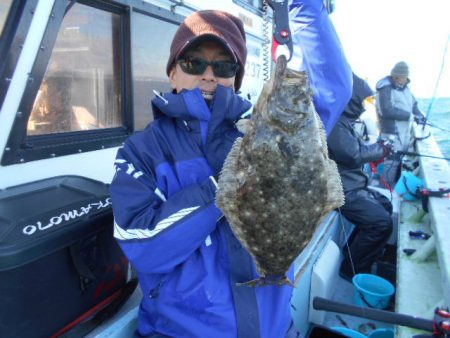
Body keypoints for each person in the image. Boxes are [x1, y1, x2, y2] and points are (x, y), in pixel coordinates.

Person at [110, 2, 351, 337]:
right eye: (193, 62)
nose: (208, 74)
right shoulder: (141, 152)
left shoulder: (267, 127)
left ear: (235, 79)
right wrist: (223, 184)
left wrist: (302, 5)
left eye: (223, 65)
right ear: (173, 72)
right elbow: (144, 248)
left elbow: (332, 89)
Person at [328, 74, 394, 282]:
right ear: (352, 98)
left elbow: (355, 150)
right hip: (343, 190)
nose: (365, 107)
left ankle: (355, 252)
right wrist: (381, 150)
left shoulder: (343, 120)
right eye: (363, 100)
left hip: (353, 184)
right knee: (381, 223)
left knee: (385, 206)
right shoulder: (337, 123)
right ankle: (352, 269)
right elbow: (354, 155)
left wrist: (378, 149)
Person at [375, 61, 425, 186]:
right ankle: (386, 189)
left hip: (404, 133)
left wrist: (419, 116)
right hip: (391, 133)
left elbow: (413, 105)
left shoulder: (406, 88)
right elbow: (386, 111)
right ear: (396, 76)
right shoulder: (385, 89)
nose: (406, 79)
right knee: (391, 162)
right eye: (404, 77)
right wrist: (409, 116)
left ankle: (394, 187)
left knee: (399, 161)